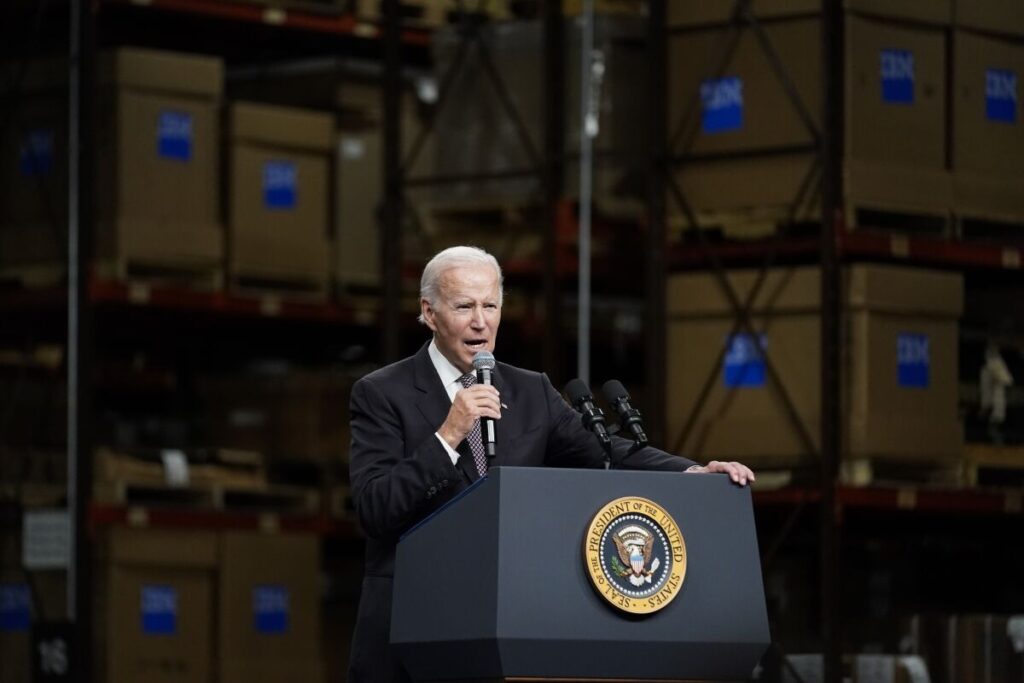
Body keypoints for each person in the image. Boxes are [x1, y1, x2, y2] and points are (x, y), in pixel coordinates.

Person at [347, 246, 755, 683]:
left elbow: (605, 450)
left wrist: (691, 474)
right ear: (429, 313)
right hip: (412, 633)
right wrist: (448, 435)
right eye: (464, 307)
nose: (480, 322)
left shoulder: (531, 391)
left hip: (508, 628)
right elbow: (375, 507)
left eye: (491, 306)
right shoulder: (381, 393)